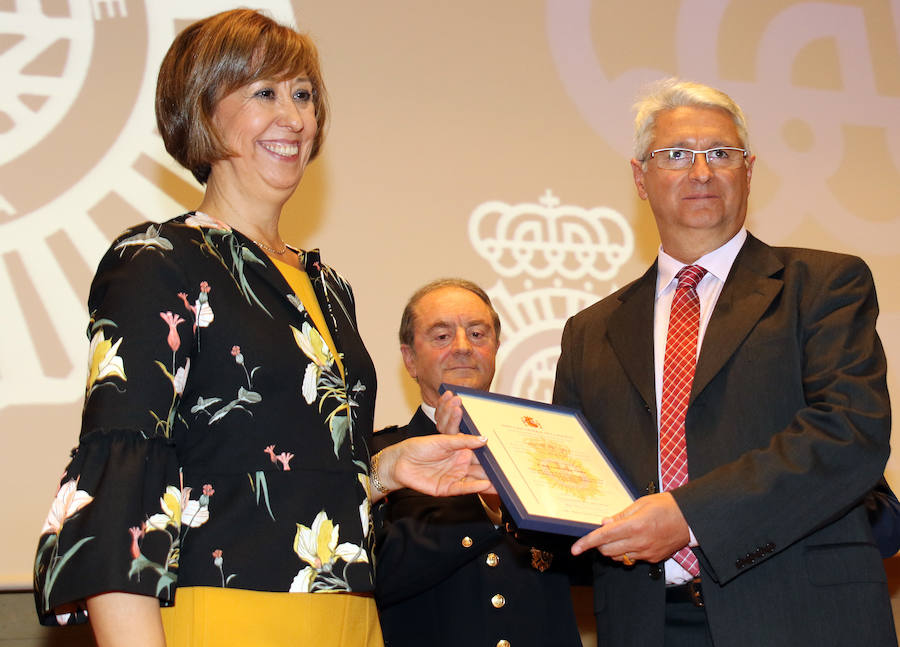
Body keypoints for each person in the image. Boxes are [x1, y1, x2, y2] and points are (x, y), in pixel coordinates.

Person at [33, 10, 489, 647]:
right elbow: (120, 495)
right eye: (263, 93)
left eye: (302, 95)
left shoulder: (329, 287)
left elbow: (272, 464)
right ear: (201, 110)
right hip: (226, 617)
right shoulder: (157, 261)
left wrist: (385, 471)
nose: (294, 117)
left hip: (353, 620)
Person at [545, 78, 895, 645]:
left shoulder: (824, 284)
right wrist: (510, 489)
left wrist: (690, 515)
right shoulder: (590, 332)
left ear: (749, 171)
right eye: (676, 155)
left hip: (799, 614)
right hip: (646, 622)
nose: (701, 172)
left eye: (721, 154)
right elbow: (577, 481)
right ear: (640, 178)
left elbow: (850, 433)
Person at [373, 279, 583, 647]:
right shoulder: (379, 458)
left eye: (477, 333)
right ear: (409, 359)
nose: (462, 348)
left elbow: (587, 567)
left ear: (496, 348)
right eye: (441, 336)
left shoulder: (546, 448)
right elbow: (373, 575)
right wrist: (487, 511)